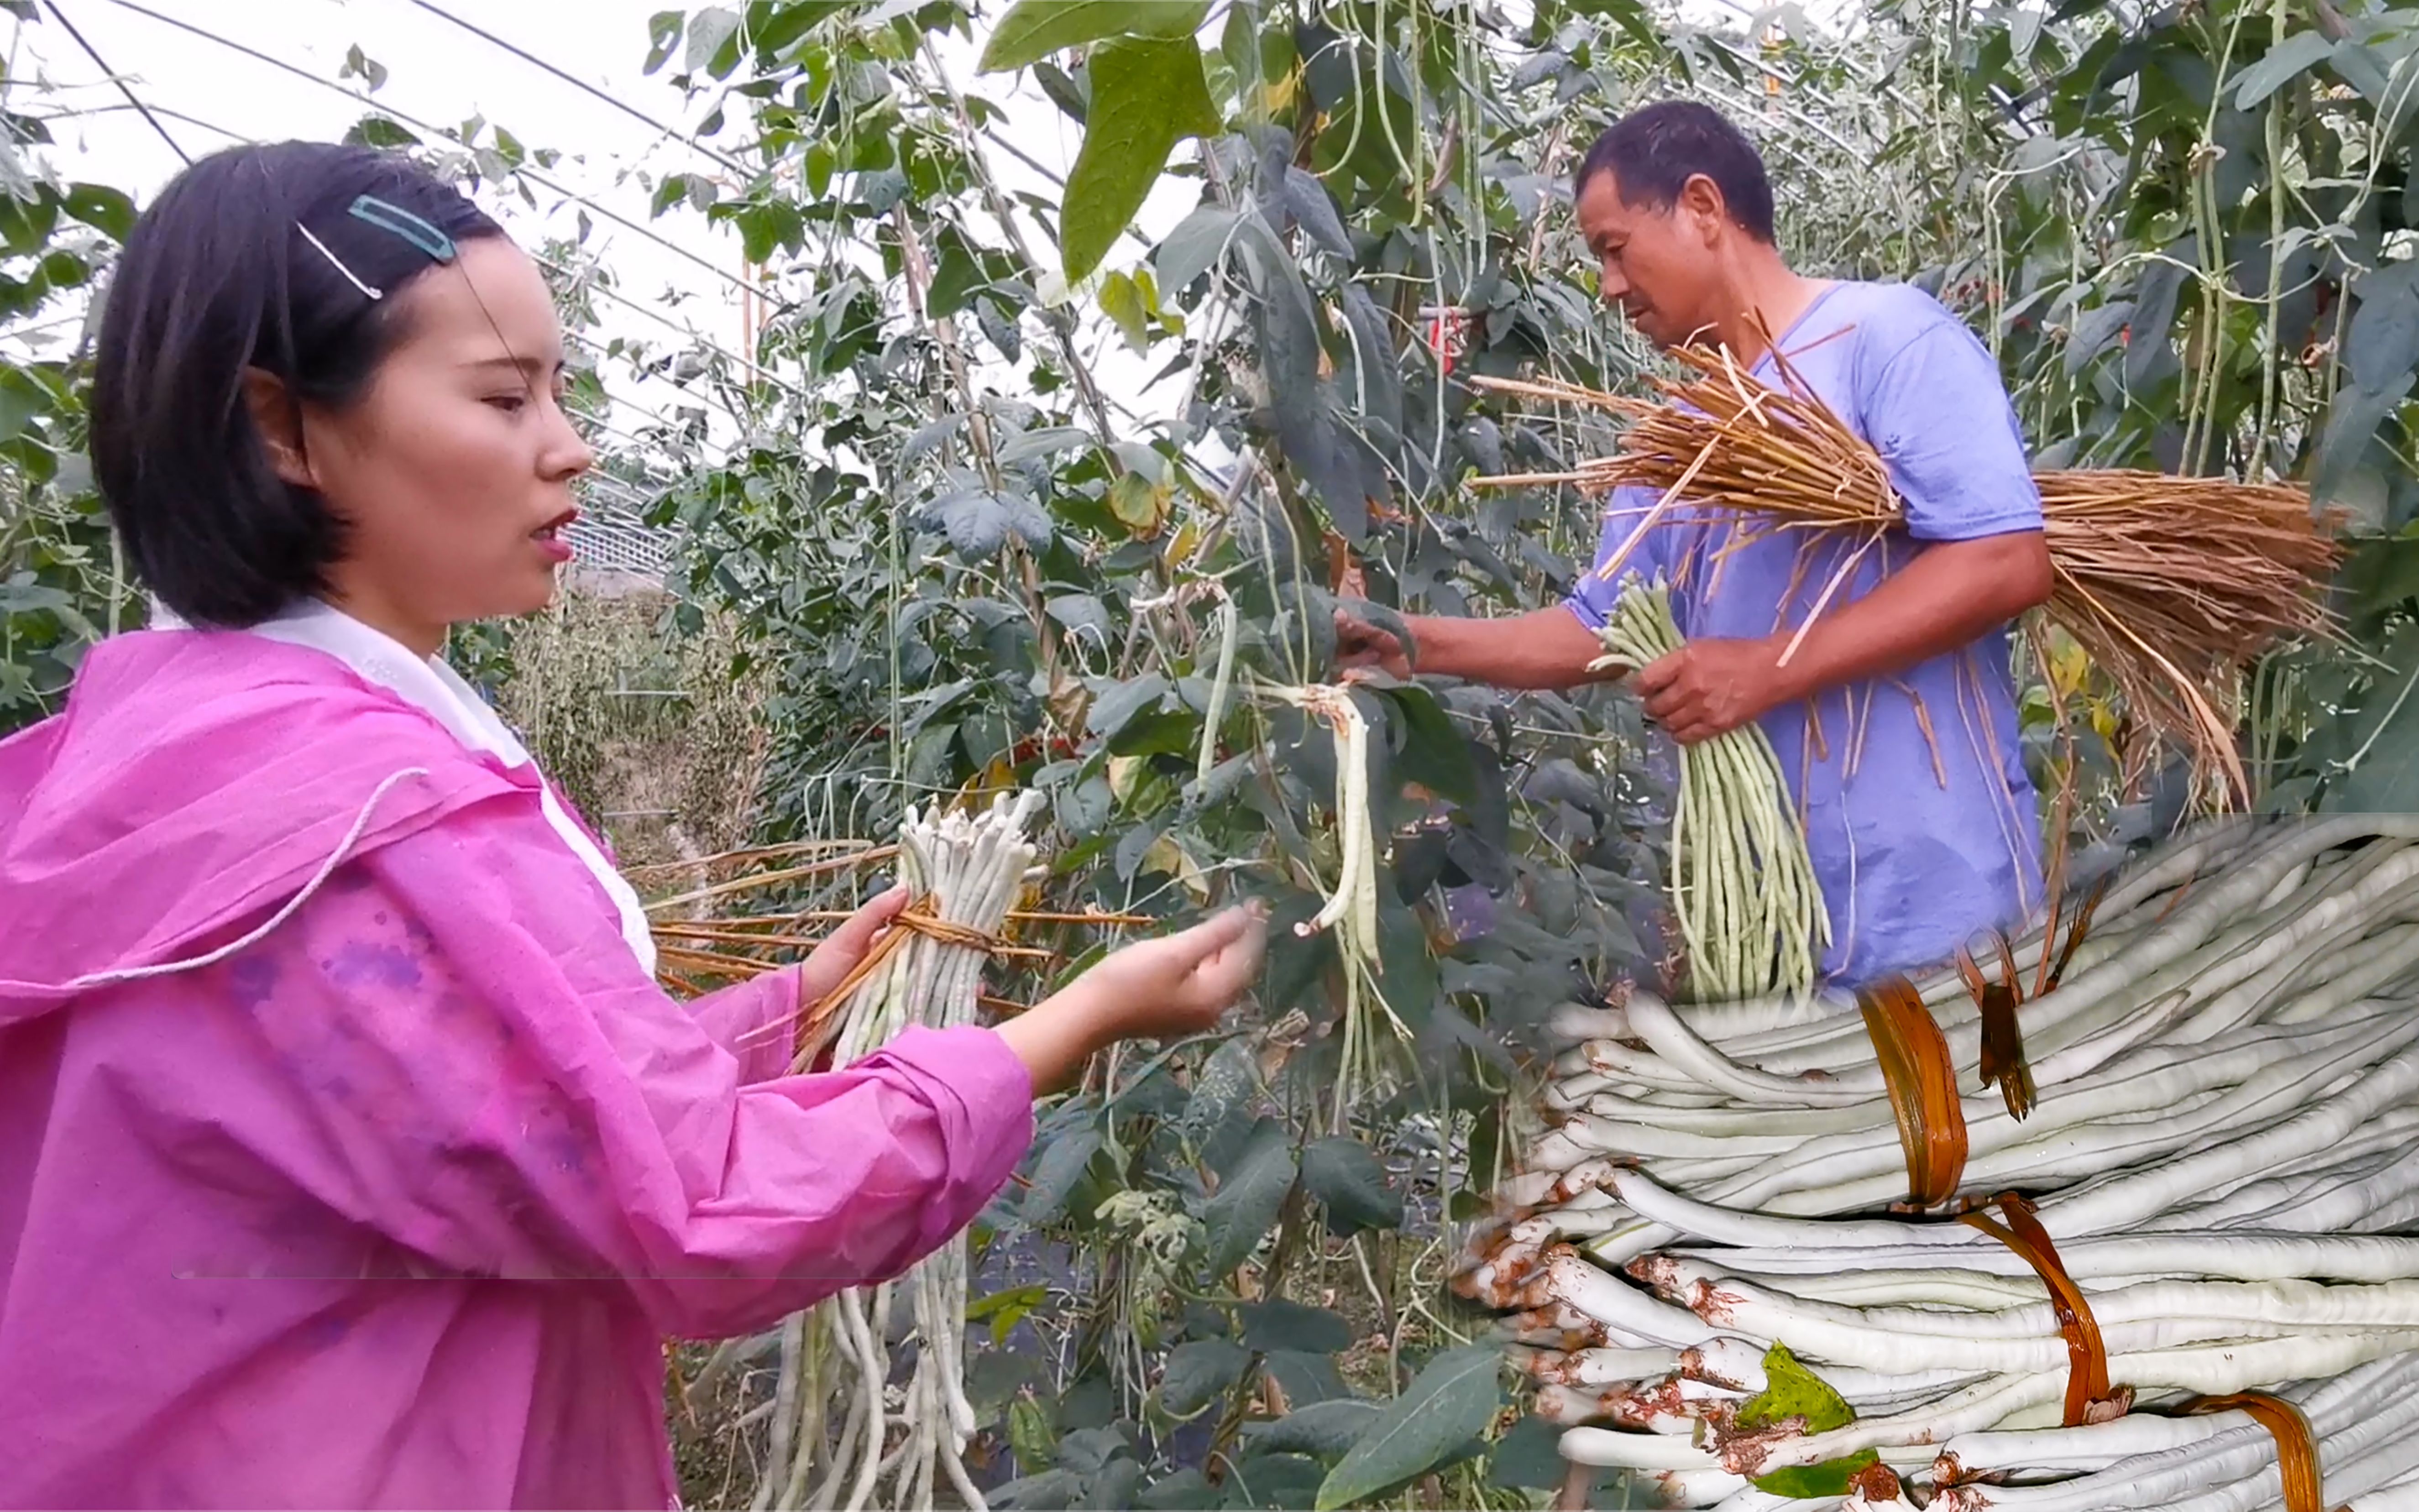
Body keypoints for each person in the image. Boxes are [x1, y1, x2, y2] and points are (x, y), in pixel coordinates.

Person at [0, 141, 1266, 1509]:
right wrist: (1062, 1031)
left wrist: (791, 1010)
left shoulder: (167, 749)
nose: (570, 443)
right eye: (504, 395)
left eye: (561, 386)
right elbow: (693, 1207)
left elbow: (443, 1109)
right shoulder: (360, 825)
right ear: (279, 428)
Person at [1340, 101, 2053, 987]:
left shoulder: (1886, 342)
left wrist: (1767, 669)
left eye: (1612, 246)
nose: (1607, 285)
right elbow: (1597, 630)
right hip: (1777, 924)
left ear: (1703, 208)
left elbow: (2005, 560)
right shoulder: (1675, 440)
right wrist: (1412, 642)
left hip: (1938, 903)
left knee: (1961, 1124)